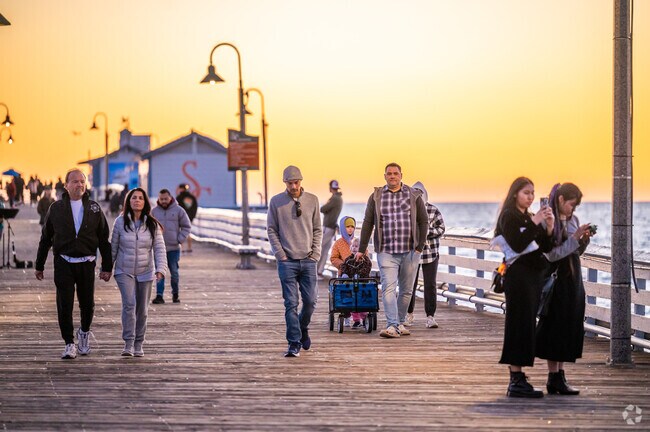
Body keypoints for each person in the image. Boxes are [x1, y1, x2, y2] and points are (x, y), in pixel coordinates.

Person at [35, 169, 112, 359]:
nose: (79, 185)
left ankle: (84, 334)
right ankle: (69, 343)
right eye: (75, 182)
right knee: (64, 304)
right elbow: (45, 238)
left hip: (87, 262)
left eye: (82, 182)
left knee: (88, 304)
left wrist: (107, 267)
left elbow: (103, 239)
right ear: (66, 185)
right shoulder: (56, 208)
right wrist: (39, 265)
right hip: (64, 262)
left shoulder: (94, 208)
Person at [493, 176, 554, 398]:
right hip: (518, 278)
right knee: (518, 324)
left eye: (533, 193)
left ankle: (519, 378)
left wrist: (549, 226)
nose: (530, 197)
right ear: (515, 194)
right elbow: (517, 245)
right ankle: (515, 379)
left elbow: (545, 246)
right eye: (526, 192)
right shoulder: (508, 216)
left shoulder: (527, 217)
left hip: (532, 279)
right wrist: (535, 220)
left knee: (527, 324)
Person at [356, 163, 428, 338]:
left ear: (401, 175)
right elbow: (367, 223)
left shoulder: (414, 195)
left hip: (410, 250)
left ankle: (401, 321)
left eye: (395, 173)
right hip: (386, 250)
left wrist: (420, 247)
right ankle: (391, 325)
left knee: (406, 290)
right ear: (385, 176)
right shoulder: (376, 196)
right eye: (389, 174)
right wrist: (361, 249)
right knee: (388, 287)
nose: (392, 176)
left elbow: (423, 221)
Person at [536, 183, 593, 395]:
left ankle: (560, 376)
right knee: (554, 328)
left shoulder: (573, 221)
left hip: (573, 278)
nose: (573, 210)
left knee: (569, 326)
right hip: (557, 279)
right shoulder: (547, 220)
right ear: (561, 200)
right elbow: (552, 254)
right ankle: (553, 377)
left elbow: (573, 253)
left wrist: (583, 240)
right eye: (571, 205)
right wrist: (575, 237)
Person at [267, 165, 322, 357]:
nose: (293, 186)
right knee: (290, 303)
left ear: (301, 181)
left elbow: (317, 229)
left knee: (311, 301)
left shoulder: (312, 200)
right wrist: (280, 254)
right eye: (290, 183)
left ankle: (302, 327)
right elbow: (271, 229)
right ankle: (294, 342)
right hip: (287, 261)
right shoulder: (276, 202)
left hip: (308, 260)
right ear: (285, 183)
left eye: (296, 182)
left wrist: (315, 254)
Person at [111, 187, 167, 356]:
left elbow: (159, 249)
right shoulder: (120, 222)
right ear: (129, 201)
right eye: (134, 198)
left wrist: (161, 269)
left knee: (142, 309)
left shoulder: (152, 224)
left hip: (145, 271)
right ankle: (128, 343)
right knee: (129, 304)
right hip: (123, 270)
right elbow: (113, 247)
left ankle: (138, 343)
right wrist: (106, 268)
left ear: (145, 202)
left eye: (140, 198)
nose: (137, 200)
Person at [405, 181, 446, 329]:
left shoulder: (433, 210)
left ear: (424, 194)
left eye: (419, 193)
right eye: (413, 193)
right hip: (412, 254)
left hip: (430, 253)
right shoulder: (406, 210)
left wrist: (426, 233)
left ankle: (430, 316)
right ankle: (408, 314)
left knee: (430, 285)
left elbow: (441, 229)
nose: (417, 196)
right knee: (410, 285)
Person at [151, 188, 191, 304]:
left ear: (170, 198)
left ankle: (175, 294)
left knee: (174, 272)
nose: (163, 201)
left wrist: (179, 239)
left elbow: (187, 226)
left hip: (173, 248)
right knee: (159, 272)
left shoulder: (179, 210)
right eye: (161, 199)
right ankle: (159, 295)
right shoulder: (154, 212)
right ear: (158, 199)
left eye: (166, 199)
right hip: (158, 248)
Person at [329, 216, 368, 327]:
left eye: (352, 226)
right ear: (342, 227)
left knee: (360, 293)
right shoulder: (338, 243)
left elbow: (365, 254)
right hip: (345, 274)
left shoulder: (358, 241)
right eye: (347, 227)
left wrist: (362, 264)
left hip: (358, 273)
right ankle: (346, 315)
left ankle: (362, 316)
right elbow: (333, 258)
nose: (350, 229)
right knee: (345, 293)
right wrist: (343, 265)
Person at [316, 180, 343, 278]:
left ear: (330, 188)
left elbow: (323, 209)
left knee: (320, 248)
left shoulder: (335, 198)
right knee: (325, 249)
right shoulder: (339, 198)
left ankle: (316, 271)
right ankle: (319, 271)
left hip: (328, 226)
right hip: (332, 226)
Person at [176, 184, 198, 253]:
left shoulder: (179, 197)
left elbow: (176, 208)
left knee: (180, 232)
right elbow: (195, 207)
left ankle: (181, 248)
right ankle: (189, 247)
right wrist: (192, 216)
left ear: (181, 189)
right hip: (190, 217)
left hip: (181, 217)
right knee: (189, 232)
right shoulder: (192, 197)